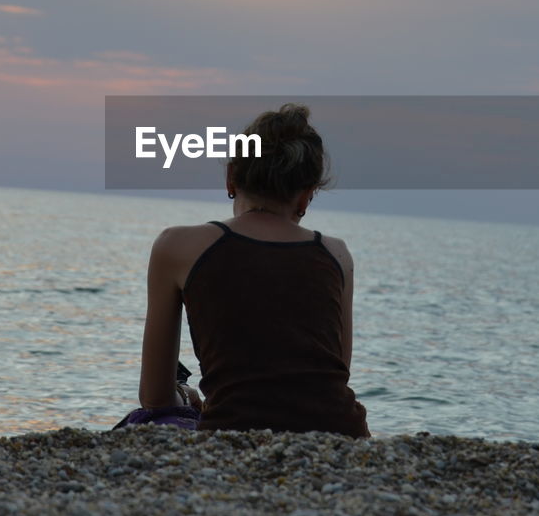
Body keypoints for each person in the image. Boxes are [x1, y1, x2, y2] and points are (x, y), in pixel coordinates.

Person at [134, 103, 369, 436]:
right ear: (305, 197)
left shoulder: (175, 246)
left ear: (231, 176)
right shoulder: (335, 255)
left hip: (233, 434)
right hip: (342, 437)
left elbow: (155, 398)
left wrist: (186, 396)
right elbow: (332, 375)